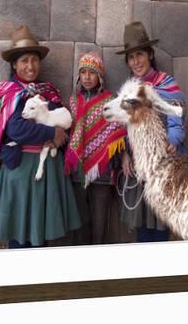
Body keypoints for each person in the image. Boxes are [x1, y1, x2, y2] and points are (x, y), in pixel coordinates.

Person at [0, 25, 81, 248]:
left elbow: (62, 118)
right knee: (20, 233)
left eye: (33, 60)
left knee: (40, 232)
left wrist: (61, 135)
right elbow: (16, 130)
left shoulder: (47, 92)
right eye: (24, 61)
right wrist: (52, 132)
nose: (30, 66)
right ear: (14, 64)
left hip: (46, 170)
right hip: (20, 170)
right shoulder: (8, 93)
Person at [116, 21, 187, 243]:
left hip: (164, 164)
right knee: (143, 226)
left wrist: (171, 142)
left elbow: (177, 122)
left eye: (139, 55)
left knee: (160, 226)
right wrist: (125, 153)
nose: (136, 61)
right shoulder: (130, 90)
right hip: (140, 167)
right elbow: (126, 126)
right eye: (131, 57)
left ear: (150, 54)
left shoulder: (166, 84)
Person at [63, 52, 127, 245]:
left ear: (100, 76)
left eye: (92, 72)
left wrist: (118, 158)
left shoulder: (110, 101)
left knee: (100, 222)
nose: (87, 77)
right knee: (80, 221)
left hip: (102, 171)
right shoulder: (73, 102)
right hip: (76, 171)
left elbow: (118, 131)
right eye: (83, 72)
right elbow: (68, 131)